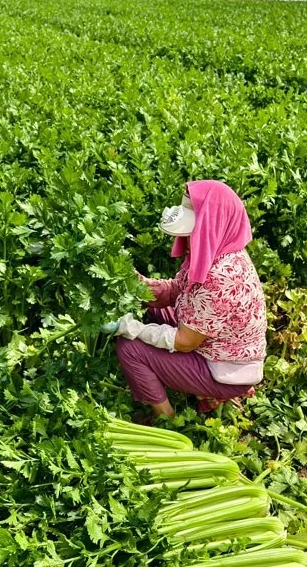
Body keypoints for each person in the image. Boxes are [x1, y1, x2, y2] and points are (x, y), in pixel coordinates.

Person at [111, 180, 266, 419]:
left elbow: (184, 342)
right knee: (151, 309)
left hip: (224, 371)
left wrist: (134, 329)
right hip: (211, 341)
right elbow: (177, 291)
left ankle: (168, 419)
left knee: (130, 348)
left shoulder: (220, 276)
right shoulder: (220, 248)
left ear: (210, 226)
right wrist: (137, 286)